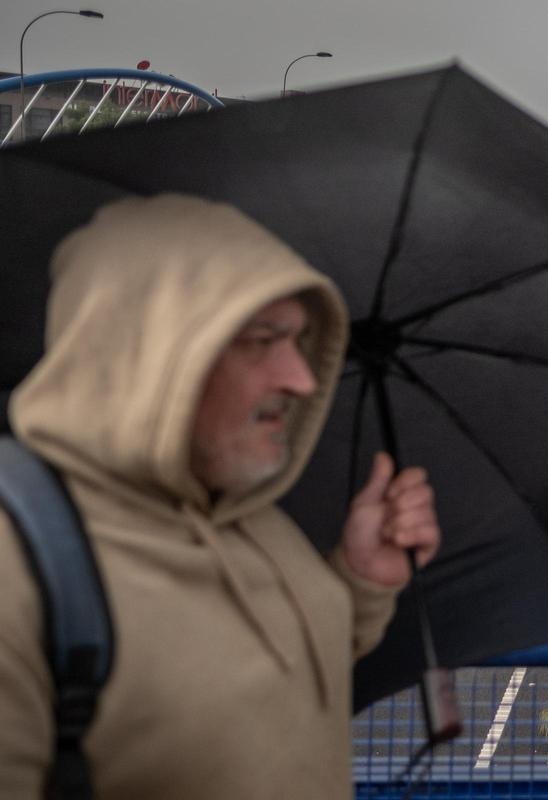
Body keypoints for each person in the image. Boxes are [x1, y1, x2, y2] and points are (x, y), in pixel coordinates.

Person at [0, 194, 440, 798]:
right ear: (149, 354)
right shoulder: (17, 565)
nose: (302, 379)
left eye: (299, 341)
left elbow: (262, 691)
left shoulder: (252, 518)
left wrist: (360, 581)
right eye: (262, 341)